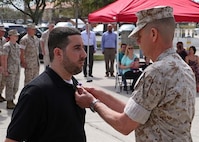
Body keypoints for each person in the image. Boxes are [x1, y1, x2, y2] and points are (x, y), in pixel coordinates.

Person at [75, 6, 196, 142]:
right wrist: (99, 94)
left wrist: (93, 103)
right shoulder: (184, 67)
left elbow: (124, 125)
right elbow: (135, 112)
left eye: (139, 36)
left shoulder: (156, 72)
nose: (137, 41)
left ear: (153, 34)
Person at [5, 27, 87, 142]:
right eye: (77, 48)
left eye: (83, 48)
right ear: (58, 53)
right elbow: (12, 140)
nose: (84, 54)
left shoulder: (74, 85)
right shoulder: (36, 92)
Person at [1, 30, 21, 109]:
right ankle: (9, 102)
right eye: (15, 35)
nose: (17, 37)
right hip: (10, 69)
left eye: (17, 36)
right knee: (10, 86)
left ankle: (12, 99)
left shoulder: (17, 45)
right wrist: (5, 70)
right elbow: (4, 58)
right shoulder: (7, 46)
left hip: (17, 69)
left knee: (15, 87)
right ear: (11, 36)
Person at [0, 25, 6, 103]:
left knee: (3, 81)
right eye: (1, 31)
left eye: (4, 32)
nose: (3, 33)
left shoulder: (4, 40)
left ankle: (0, 94)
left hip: (3, 62)